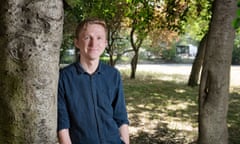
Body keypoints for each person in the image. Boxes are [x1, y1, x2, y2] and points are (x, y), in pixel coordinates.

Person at [57, 18, 129, 144]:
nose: (93, 43)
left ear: (106, 43)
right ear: (77, 42)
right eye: (87, 38)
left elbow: (121, 118)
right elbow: (62, 125)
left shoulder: (113, 75)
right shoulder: (63, 78)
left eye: (99, 38)